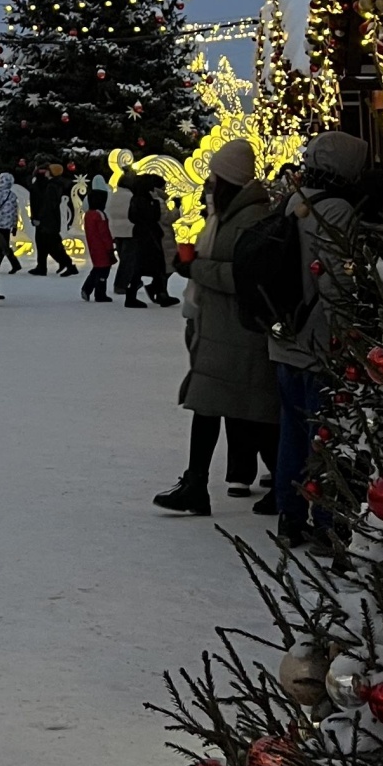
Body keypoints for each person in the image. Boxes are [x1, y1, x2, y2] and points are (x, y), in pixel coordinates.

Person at [152, 139, 279, 516]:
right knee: (225, 409)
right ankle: (199, 483)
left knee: (243, 412)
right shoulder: (229, 215)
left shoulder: (250, 219)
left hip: (237, 333)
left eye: (214, 177)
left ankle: (287, 485)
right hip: (221, 331)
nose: (209, 184)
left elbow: (249, 277)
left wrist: (197, 269)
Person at [266, 129, 369, 547]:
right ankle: (328, 519)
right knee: (327, 434)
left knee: (291, 429)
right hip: (320, 342)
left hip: (285, 336)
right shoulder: (337, 210)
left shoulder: (293, 201)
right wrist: (347, 337)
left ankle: (290, 515)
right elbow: (335, 284)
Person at [127, 174, 179, 307]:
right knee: (162, 265)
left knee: (148, 266)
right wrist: (177, 209)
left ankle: (157, 292)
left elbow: (133, 217)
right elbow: (163, 218)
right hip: (156, 236)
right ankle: (159, 293)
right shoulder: (154, 200)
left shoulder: (137, 198)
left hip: (142, 234)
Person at [108, 174, 142, 306]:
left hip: (116, 230)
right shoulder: (131, 197)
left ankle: (133, 280)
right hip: (129, 230)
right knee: (129, 259)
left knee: (124, 257)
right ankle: (121, 284)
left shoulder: (115, 195)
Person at [28, 163, 68, 276]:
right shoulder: (51, 184)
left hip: (45, 219)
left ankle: (64, 263)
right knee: (46, 243)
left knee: (47, 243)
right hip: (47, 219)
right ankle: (44, 265)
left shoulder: (47, 185)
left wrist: (37, 217)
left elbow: (42, 203)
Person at [80, 185, 114, 303]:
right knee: (104, 270)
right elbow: (105, 234)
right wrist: (110, 249)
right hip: (103, 247)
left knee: (97, 268)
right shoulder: (100, 215)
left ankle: (87, 288)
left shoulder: (88, 214)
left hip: (93, 246)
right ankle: (99, 293)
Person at [0, 165, 22, 274]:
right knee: (3, 245)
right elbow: (15, 211)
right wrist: (14, 225)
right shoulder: (13, 195)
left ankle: (12, 264)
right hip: (8, 225)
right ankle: (11, 264)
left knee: (0, 246)